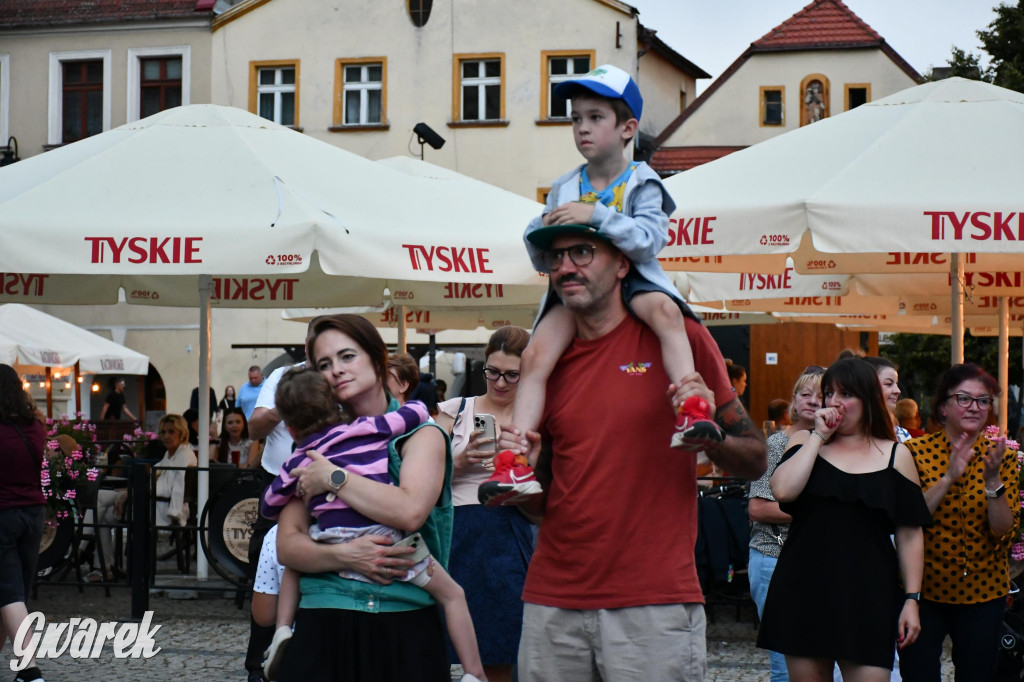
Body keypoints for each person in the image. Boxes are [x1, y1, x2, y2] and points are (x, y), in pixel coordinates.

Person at [501, 221, 766, 678]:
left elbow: (756, 458)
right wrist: (523, 478)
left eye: (583, 252)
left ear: (623, 264)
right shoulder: (545, 358)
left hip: (653, 600)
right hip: (553, 599)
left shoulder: (679, 339)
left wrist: (712, 437)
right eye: (556, 257)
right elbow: (540, 506)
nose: (566, 266)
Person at [513, 63, 723, 464]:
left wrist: (595, 216)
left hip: (637, 280)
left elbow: (649, 241)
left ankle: (691, 406)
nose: (582, 128)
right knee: (534, 356)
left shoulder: (643, 180)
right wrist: (544, 228)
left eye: (595, 118)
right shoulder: (563, 186)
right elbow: (538, 248)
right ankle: (516, 457)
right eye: (576, 119)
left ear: (628, 128)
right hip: (580, 288)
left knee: (667, 312)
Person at [262, 368, 486, 682]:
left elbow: (268, 505)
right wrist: (413, 405)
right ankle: (475, 673)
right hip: (394, 543)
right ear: (336, 408)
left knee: (296, 564)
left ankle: (283, 629)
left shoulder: (299, 460)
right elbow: (414, 413)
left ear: (290, 428)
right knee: (452, 595)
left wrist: (296, 487)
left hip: (333, 537)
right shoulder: (366, 429)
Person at [758, 358, 931, 680]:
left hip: (868, 593)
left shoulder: (896, 455)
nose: (834, 402)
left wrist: (912, 599)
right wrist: (818, 437)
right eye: (829, 393)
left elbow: (909, 533)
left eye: (846, 394)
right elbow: (782, 490)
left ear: (868, 400)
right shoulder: (804, 442)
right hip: (804, 587)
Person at [899, 363, 1020, 681]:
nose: (975, 407)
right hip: (924, 591)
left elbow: (1003, 531)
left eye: (983, 400)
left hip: (984, 592)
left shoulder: (1002, 456)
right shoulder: (914, 452)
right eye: (964, 398)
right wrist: (949, 477)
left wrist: (992, 481)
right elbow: (909, 518)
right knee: (919, 675)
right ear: (943, 407)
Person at [435, 326, 535, 682]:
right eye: (492, 372)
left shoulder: (535, 418)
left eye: (511, 375)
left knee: (499, 648)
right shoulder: (454, 411)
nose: (500, 382)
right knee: (439, 647)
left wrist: (520, 472)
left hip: (507, 535)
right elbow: (418, 482)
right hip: (454, 533)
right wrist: (459, 463)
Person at [748, 366, 823, 682]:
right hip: (774, 557)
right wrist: (818, 513)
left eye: (821, 395)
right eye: (805, 394)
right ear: (794, 400)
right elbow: (758, 508)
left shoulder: (834, 446)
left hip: (818, 562)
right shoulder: (779, 443)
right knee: (785, 666)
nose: (813, 401)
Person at [0, 365, 47, 682]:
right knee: (12, 594)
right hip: (33, 513)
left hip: (3, 513)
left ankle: (30, 671)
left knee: (9, 594)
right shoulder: (36, 426)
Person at [153, 414, 197, 528]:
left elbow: (176, 486)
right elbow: (157, 470)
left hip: (167, 507)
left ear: (182, 434)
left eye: (171, 432)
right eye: (163, 432)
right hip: (157, 501)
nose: (166, 436)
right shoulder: (169, 454)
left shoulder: (184, 455)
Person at [864, 356, 909, 442]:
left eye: (896, 384)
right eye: (888, 384)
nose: (897, 391)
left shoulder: (901, 436)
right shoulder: (843, 435)